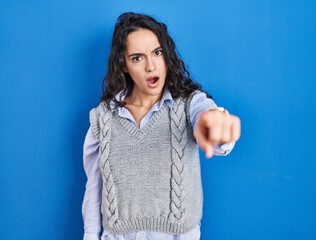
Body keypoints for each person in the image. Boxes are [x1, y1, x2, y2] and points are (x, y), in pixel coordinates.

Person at [82, 12, 241, 240]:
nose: (151, 66)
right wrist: (89, 235)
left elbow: (206, 117)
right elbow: (94, 190)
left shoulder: (190, 105)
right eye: (137, 58)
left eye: (157, 53)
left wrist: (214, 124)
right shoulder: (103, 118)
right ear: (124, 65)